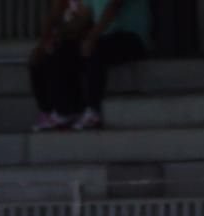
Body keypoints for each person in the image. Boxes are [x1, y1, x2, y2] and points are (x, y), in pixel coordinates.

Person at [28, 0, 151, 131]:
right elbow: (82, 19)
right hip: (104, 38)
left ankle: (93, 111)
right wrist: (57, 36)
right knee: (60, 51)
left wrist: (92, 37)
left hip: (133, 38)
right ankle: (64, 111)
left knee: (95, 49)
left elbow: (114, 6)